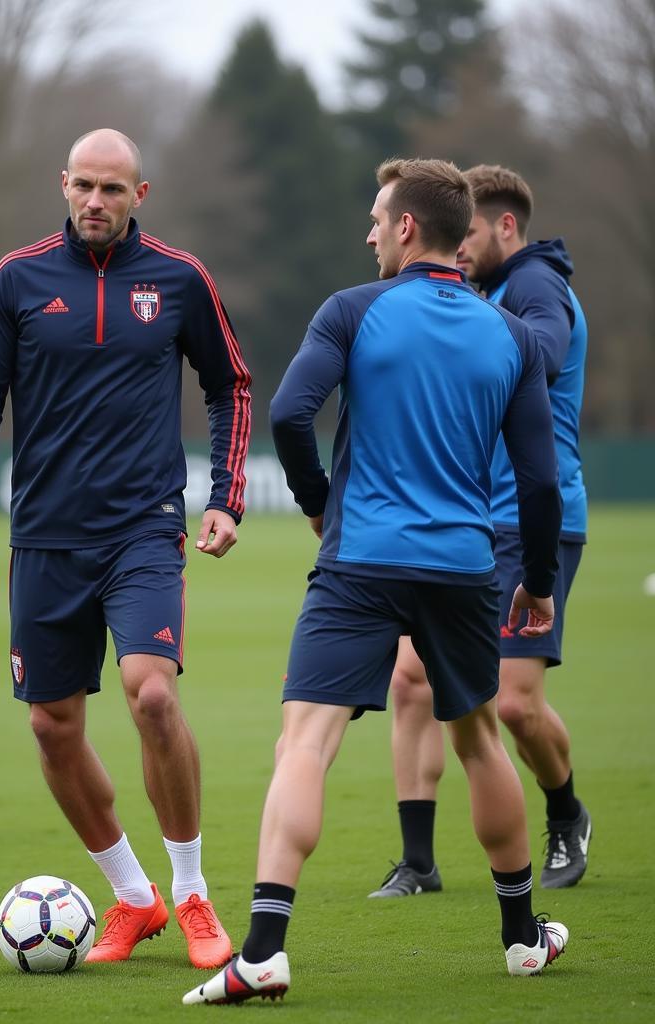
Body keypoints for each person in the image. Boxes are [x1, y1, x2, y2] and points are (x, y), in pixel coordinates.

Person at [184, 158, 568, 1006]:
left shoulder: (353, 311)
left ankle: (264, 950)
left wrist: (321, 506)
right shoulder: (510, 335)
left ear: (404, 229)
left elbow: (288, 413)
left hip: (360, 562)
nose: (366, 232)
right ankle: (521, 938)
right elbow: (538, 481)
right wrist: (537, 582)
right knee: (478, 743)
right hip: (467, 569)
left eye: (375, 218)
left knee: (306, 743)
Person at [0, 128, 251, 970]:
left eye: (112, 189)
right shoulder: (18, 276)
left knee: (151, 697)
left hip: (143, 527)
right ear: (63, 184)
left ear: (140, 196)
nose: (94, 201)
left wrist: (226, 497)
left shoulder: (181, 279)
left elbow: (229, 385)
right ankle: (133, 896)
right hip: (44, 534)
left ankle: (190, 893)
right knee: (52, 726)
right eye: (83, 185)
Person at [371, 165, 589, 899]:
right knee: (410, 681)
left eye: (467, 235)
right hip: (465, 516)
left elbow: (544, 356)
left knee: (514, 704)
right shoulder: (483, 293)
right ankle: (419, 861)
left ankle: (566, 813)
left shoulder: (534, 287)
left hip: (533, 516)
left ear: (504, 227)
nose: (455, 250)